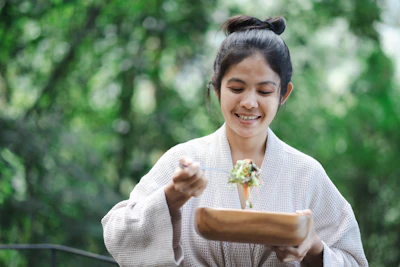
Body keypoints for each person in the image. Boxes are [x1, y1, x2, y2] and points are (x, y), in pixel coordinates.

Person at [101, 15, 368, 267]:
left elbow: (354, 260)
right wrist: (172, 196)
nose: (249, 103)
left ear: (283, 94)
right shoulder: (184, 161)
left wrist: (313, 248)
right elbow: (116, 233)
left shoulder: (305, 173)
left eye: (264, 90)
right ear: (217, 87)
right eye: (236, 88)